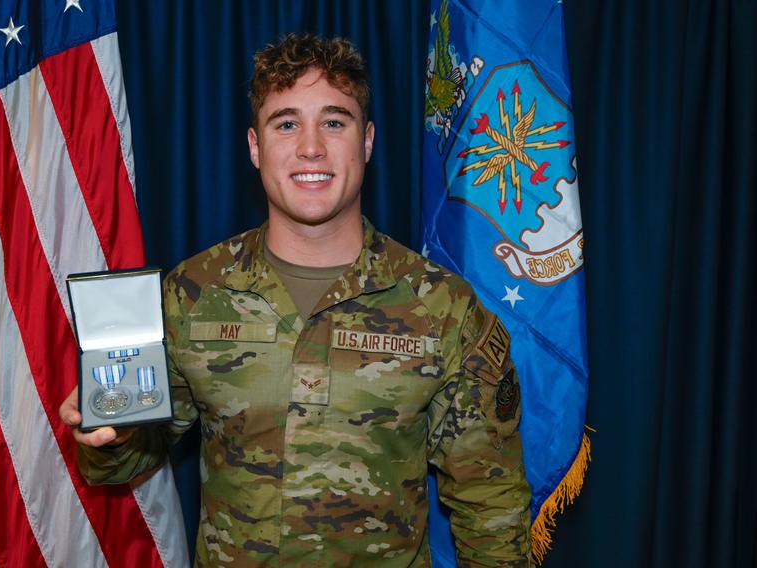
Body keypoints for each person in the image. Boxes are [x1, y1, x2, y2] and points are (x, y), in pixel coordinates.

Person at [60, 33, 532, 567]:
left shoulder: (443, 307)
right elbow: (128, 461)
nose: (311, 147)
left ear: (368, 141)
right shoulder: (193, 293)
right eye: (287, 124)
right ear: (255, 147)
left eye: (334, 122)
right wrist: (106, 434)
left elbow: (491, 510)